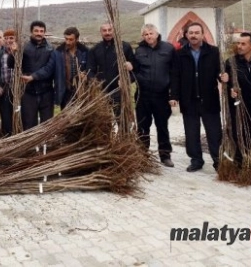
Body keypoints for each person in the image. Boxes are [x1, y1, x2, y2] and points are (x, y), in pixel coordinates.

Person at [170, 22, 228, 172]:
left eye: (197, 32)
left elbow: (219, 72)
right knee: (191, 132)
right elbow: (175, 76)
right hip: (189, 100)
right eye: (191, 33)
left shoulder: (213, 52)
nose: (194, 35)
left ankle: (217, 160)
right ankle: (196, 160)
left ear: (203, 35)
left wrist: (222, 77)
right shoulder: (180, 54)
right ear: (186, 35)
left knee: (214, 133)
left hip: (209, 99)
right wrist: (174, 96)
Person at [133, 24, 177, 167]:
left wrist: (173, 95)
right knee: (142, 126)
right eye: (145, 34)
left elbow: (175, 73)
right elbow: (135, 71)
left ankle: (165, 155)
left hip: (162, 95)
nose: (148, 36)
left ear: (157, 34)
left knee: (162, 126)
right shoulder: (139, 50)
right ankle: (142, 154)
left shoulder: (168, 49)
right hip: (143, 95)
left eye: (150, 33)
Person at [225, 32, 251, 163]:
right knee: (237, 133)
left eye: (243, 44)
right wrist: (229, 89)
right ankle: (238, 162)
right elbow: (225, 82)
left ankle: (248, 160)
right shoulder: (231, 62)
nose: (239, 46)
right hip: (236, 105)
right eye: (238, 43)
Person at [87, 22, 135, 114]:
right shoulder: (95, 50)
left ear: (114, 31)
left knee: (122, 120)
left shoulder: (124, 47)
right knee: (103, 124)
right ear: (101, 32)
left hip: (120, 92)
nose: (107, 32)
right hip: (102, 92)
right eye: (104, 30)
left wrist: (127, 80)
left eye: (110, 30)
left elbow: (134, 69)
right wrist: (96, 83)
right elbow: (90, 70)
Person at [20, 21, 55, 130]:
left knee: (47, 125)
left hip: (46, 91)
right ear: (31, 32)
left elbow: (49, 68)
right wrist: (14, 53)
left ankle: (46, 146)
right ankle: (31, 146)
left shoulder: (51, 49)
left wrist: (33, 77)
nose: (39, 33)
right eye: (36, 31)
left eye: (41, 31)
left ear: (45, 33)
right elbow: (12, 64)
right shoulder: (24, 47)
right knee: (29, 124)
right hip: (28, 92)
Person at [53, 27, 89, 109]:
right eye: (66, 39)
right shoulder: (58, 52)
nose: (67, 42)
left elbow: (91, 68)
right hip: (65, 92)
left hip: (81, 92)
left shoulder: (85, 52)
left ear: (77, 39)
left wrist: (86, 74)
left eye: (71, 39)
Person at [0, 29, 17, 136]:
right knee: (5, 116)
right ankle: (7, 138)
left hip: (17, 89)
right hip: (4, 88)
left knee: (17, 115)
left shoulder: (21, 52)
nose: (9, 40)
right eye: (6, 38)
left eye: (11, 38)